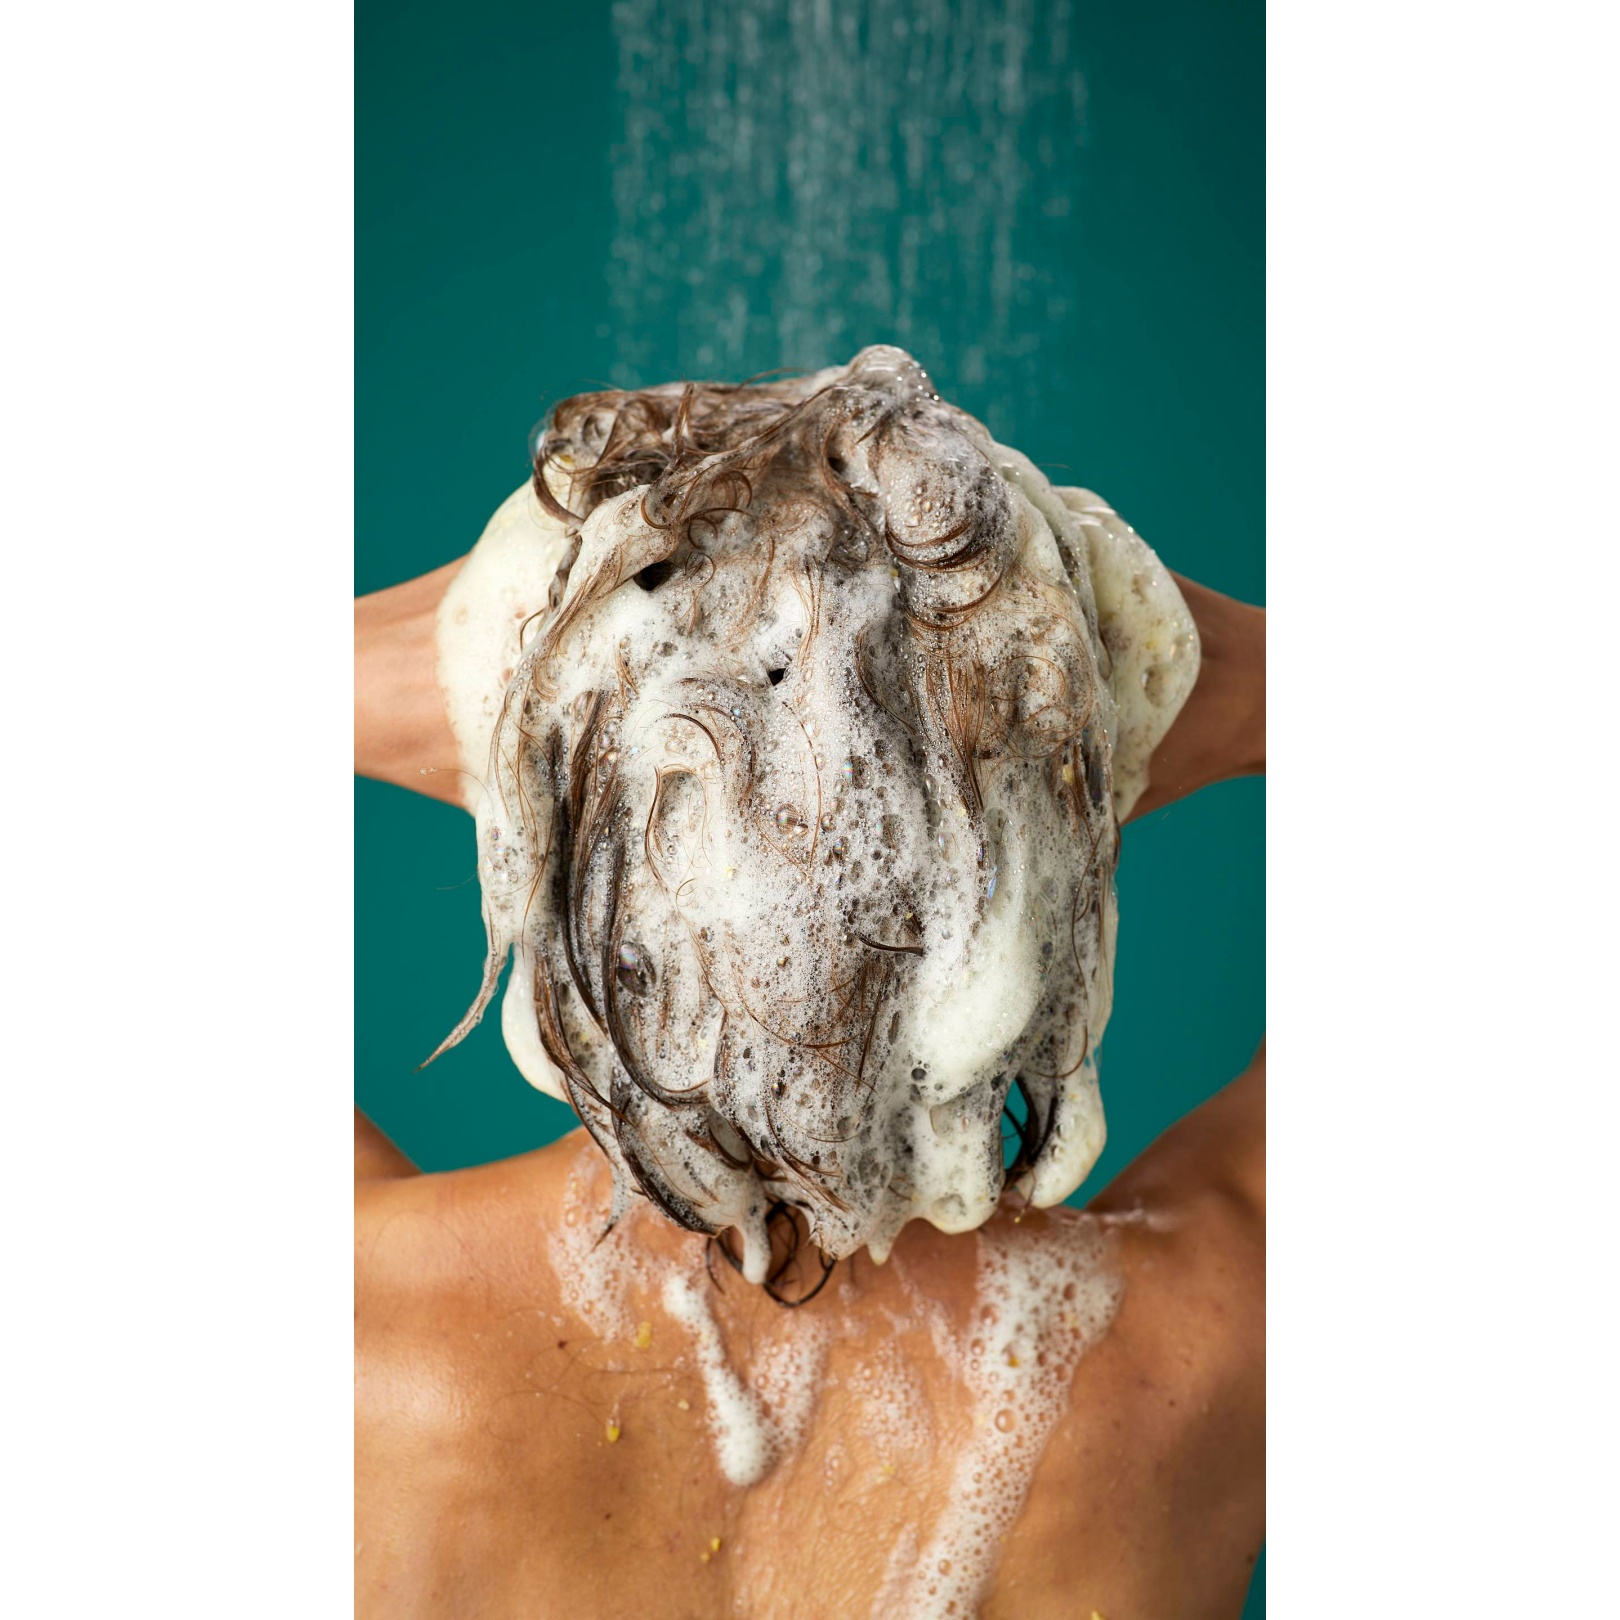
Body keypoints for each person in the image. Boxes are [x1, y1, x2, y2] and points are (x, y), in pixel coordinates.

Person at [354, 360, 1265, 1619]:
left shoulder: (358, 1331)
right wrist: (1135, 669)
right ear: (1009, 895)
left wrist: (494, 666)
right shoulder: (1203, 1352)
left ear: (555, 837)